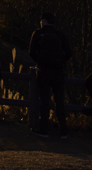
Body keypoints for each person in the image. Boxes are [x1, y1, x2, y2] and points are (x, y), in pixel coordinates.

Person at [29, 11, 73, 139]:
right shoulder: (60, 34)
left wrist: (41, 62)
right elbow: (69, 53)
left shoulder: (37, 33)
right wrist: (60, 62)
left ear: (44, 20)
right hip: (58, 72)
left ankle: (44, 129)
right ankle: (63, 130)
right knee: (59, 101)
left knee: (44, 100)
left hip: (44, 72)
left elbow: (31, 52)